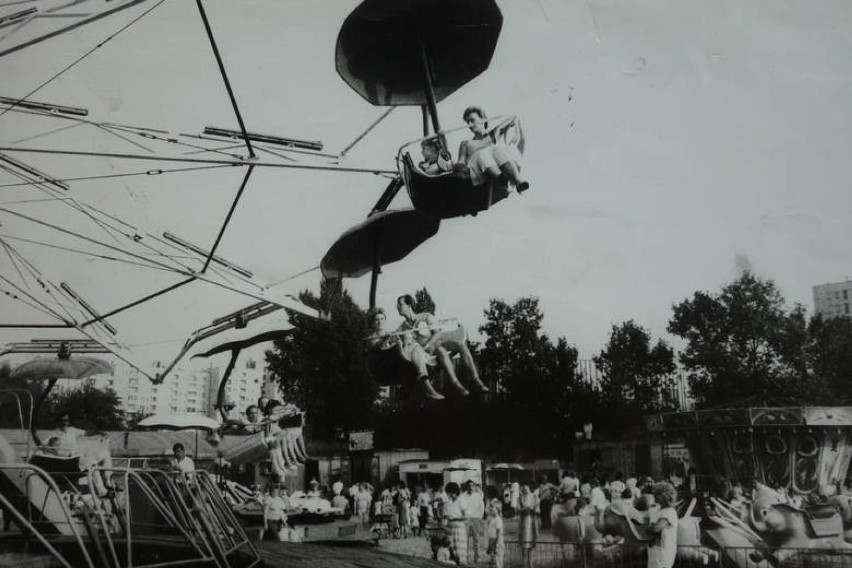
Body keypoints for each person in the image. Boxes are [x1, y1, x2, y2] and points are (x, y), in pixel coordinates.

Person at [396, 294, 487, 396]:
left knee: (460, 344)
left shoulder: (425, 316)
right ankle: (456, 384)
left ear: (409, 306)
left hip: (435, 344)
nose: (397, 307)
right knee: (441, 351)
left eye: (400, 304)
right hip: (425, 354)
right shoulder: (402, 327)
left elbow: (437, 333)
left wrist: (428, 345)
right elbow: (394, 339)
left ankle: (476, 379)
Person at [365, 307, 444, 400]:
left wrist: (403, 337)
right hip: (387, 366)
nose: (379, 322)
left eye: (382, 319)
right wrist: (385, 339)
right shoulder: (371, 338)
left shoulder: (390, 333)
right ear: (372, 322)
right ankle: (427, 384)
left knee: (414, 344)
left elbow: (398, 341)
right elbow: (373, 346)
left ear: (385, 320)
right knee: (413, 347)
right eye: (376, 320)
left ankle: (425, 380)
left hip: (400, 359)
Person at [456, 106, 528, 192]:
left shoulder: (493, 135)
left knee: (497, 149)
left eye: (472, 120)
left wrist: (514, 116)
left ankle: (518, 181)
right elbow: (460, 163)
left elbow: (510, 120)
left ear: (482, 120)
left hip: (495, 164)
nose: (470, 124)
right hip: (480, 171)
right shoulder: (466, 143)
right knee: (481, 154)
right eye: (468, 122)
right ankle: (500, 178)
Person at [648, 482, 678, 568]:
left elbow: (656, 528)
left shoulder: (670, 512)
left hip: (664, 551)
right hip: (654, 550)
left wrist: (649, 528)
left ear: (664, 496)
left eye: (657, 494)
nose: (654, 496)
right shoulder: (658, 510)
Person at [444, 482, 469, 565]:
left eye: (450, 492)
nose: (449, 494)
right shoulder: (449, 502)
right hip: (450, 527)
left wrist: (454, 518)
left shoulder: (461, 500)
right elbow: (448, 514)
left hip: (459, 527)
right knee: (451, 548)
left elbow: (465, 516)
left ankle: (461, 562)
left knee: (459, 548)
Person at [517, 483, 539, 568]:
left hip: (532, 521)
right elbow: (518, 509)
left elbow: (537, 509)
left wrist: (534, 509)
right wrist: (526, 508)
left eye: (525, 487)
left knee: (531, 543)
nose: (524, 488)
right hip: (523, 521)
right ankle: (524, 563)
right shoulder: (520, 498)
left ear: (529, 487)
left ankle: (531, 563)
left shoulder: (534, 497)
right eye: (522, 487)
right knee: (524, 543)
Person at [485, 498, 505, 568]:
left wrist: (497, 544)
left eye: (492, 507)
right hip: (492, 540)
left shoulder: (498, 519)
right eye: (490, 507)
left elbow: (499, 532)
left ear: (497, 509)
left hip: (497, 541)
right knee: (493, 559)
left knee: (498, 560)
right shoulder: (492, 519)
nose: (490, 509)